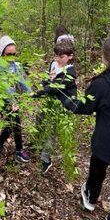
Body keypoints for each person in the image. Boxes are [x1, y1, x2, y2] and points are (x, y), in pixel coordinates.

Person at [49, 35, 110, 219]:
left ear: (106, 58)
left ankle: (91, 196)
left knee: (98, 166)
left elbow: (80, 106)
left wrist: (60, 92)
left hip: (106, 144)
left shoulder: (101, 84)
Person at [37, 33, 78, 170]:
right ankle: (37, 142)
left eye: (61, 57)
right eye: (56, 56)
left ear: (70, 56)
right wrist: (48, 80)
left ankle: (45, 158)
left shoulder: (70, 72)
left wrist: (37, 93)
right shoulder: (54, 64)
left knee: (52, 130)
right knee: (40, 118)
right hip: (51, 102)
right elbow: (46, 82)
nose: (58, 59)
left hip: (63, 104)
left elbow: (53, 88)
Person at [0, 35, 31, 163]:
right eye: (9, 54)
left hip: (12, 99)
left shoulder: (15, 65)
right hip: (2, 100)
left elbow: (21, 80)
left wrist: (31, 93)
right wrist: (12, 102)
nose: (12, 57)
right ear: (2, 52)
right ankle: (19, 151)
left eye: (14, 54)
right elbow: (5, 87)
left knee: (12, 124)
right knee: (14, 123)